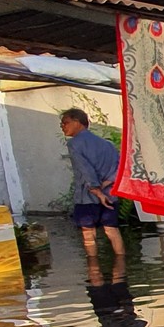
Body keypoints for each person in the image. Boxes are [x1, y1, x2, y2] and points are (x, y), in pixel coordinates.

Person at [60, 108, 124, 258]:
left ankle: (94, 270)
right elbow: (120, 168)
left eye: (65, 122)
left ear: (78, 122)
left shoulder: (74, 144)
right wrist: (107, 184)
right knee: (112, 230)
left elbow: (85, 170)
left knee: (88, 234)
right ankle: (121, 270)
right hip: (110, 195)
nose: (63, 126)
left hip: (87, 196)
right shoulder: (107, 145)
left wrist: (96, 190)